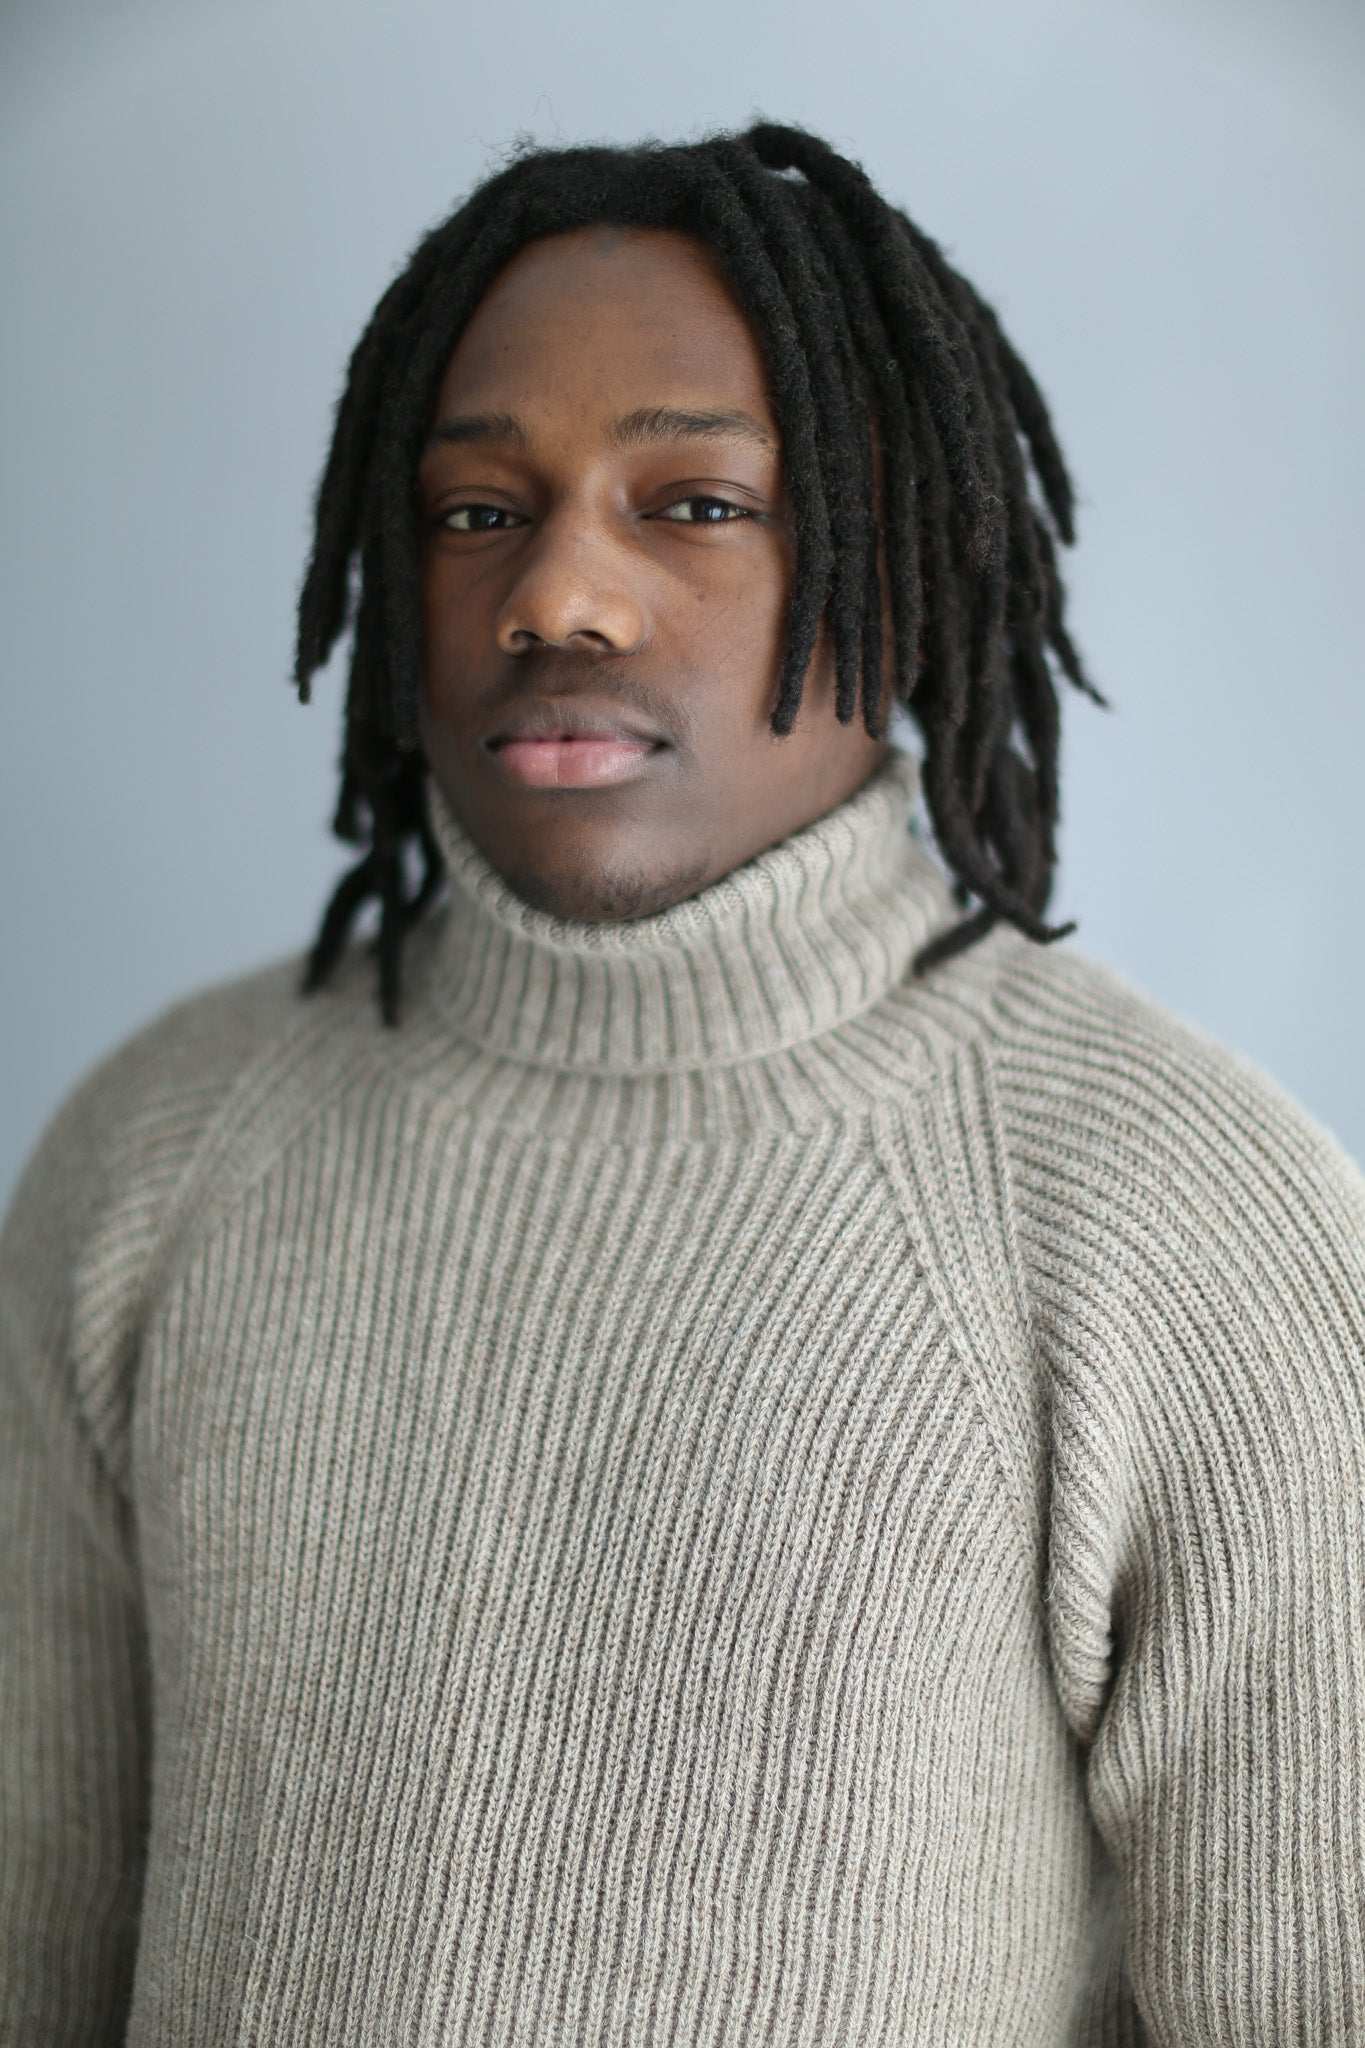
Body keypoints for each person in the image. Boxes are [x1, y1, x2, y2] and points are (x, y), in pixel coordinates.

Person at [3, 117, 1362, 2047]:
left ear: (900, 562)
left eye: (696, 505)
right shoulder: (158, 1153)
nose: (561, 597)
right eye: (479, 510)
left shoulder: (1176, 1215)